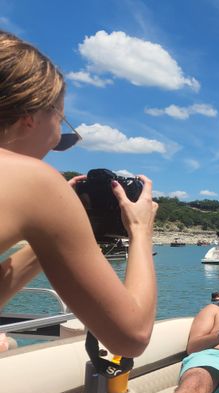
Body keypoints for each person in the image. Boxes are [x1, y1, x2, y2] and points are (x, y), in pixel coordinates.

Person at [0, 31, 158, 357]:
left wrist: (50, 239)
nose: (58, 141)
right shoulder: (36, 180)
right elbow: (131, 336)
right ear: (30, 117)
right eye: (61, 121)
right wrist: (140, 230)